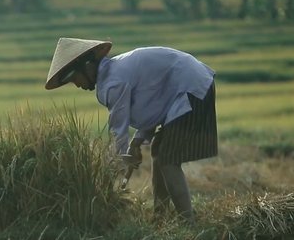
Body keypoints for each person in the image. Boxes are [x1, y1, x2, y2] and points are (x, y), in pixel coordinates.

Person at [44, 37, 218, 224]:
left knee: (168, 157)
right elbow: (154, 102)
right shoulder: (115, 72)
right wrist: (136, 143)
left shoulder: (113, 82)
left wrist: (112, 169)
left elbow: (117, 131)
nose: (77, 85)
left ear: (87, 66)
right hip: (188, 84)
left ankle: (187, 222)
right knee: (159, 150)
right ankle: (160, 216)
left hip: (191, 86)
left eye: (74, 78)